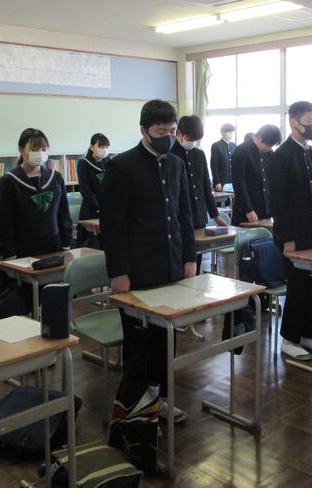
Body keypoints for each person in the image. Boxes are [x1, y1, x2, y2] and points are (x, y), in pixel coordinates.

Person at [101, 100, 196, 447]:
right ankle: (135, 411)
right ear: (144, 130)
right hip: (137, 271)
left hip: (171, 266)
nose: (167, 136)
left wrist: (189, 258)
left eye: (171, 131)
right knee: (139, 345)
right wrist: (119, 271)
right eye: (160, 131)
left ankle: (160, 400)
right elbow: (112, 225)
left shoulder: (176, 163)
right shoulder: (122, 165)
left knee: (165, 339)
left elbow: (184, 214)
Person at [269, 101, 312, 360]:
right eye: (309, 120)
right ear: (294, 122)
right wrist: (287, 238)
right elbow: (278, 201)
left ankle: (307, 334)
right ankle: (289, 338)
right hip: (293, 235)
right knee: (298, 286)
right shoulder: (281, 156)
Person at [0, 128, 72, 317]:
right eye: (35, 148)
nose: (40, 153)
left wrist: (66, 246)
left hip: (53, 250)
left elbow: (63, 214)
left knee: (53, 306)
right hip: (23, 253)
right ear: (22, 150)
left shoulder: (55, 177)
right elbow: (4, 222)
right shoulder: (9, 181)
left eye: (44, 148)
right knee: (21, 307)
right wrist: (10, 256)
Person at [171, 115, 227, 273]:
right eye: (191, 139)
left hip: (199, 215)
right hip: (179, 216)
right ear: (179, 133)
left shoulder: (199, 155)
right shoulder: (170, 154)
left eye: (197, 139)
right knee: (180, 260)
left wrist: (215, 215)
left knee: (197, 257)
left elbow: (205, 187)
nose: (193, 142)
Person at [230, 124, 281, 226]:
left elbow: (270, 180)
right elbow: (239, 184)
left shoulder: (268, 152)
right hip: (246, 211)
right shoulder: (241, 151)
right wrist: (248, 209)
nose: (269, 148)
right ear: (259, 138)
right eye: (268, 145)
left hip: (265, 209)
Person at [76, 132, 111, 247]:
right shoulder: (83, 163)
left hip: (107, 208)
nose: (104, 150)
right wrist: (98, 208)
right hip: (91, 208)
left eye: (106, 147)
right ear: (92, 147)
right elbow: (85, 190)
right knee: (91, 244)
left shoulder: (109, 163)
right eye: (101, 146)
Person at [210, 122, 235, 191]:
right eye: (229, 132)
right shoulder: (216, 145)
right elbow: (213, 166)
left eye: (232, 132)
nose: (231, 134)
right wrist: (217, 182)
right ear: (222, 132)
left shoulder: (233, 145)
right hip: (221, 182)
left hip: (233, 181)